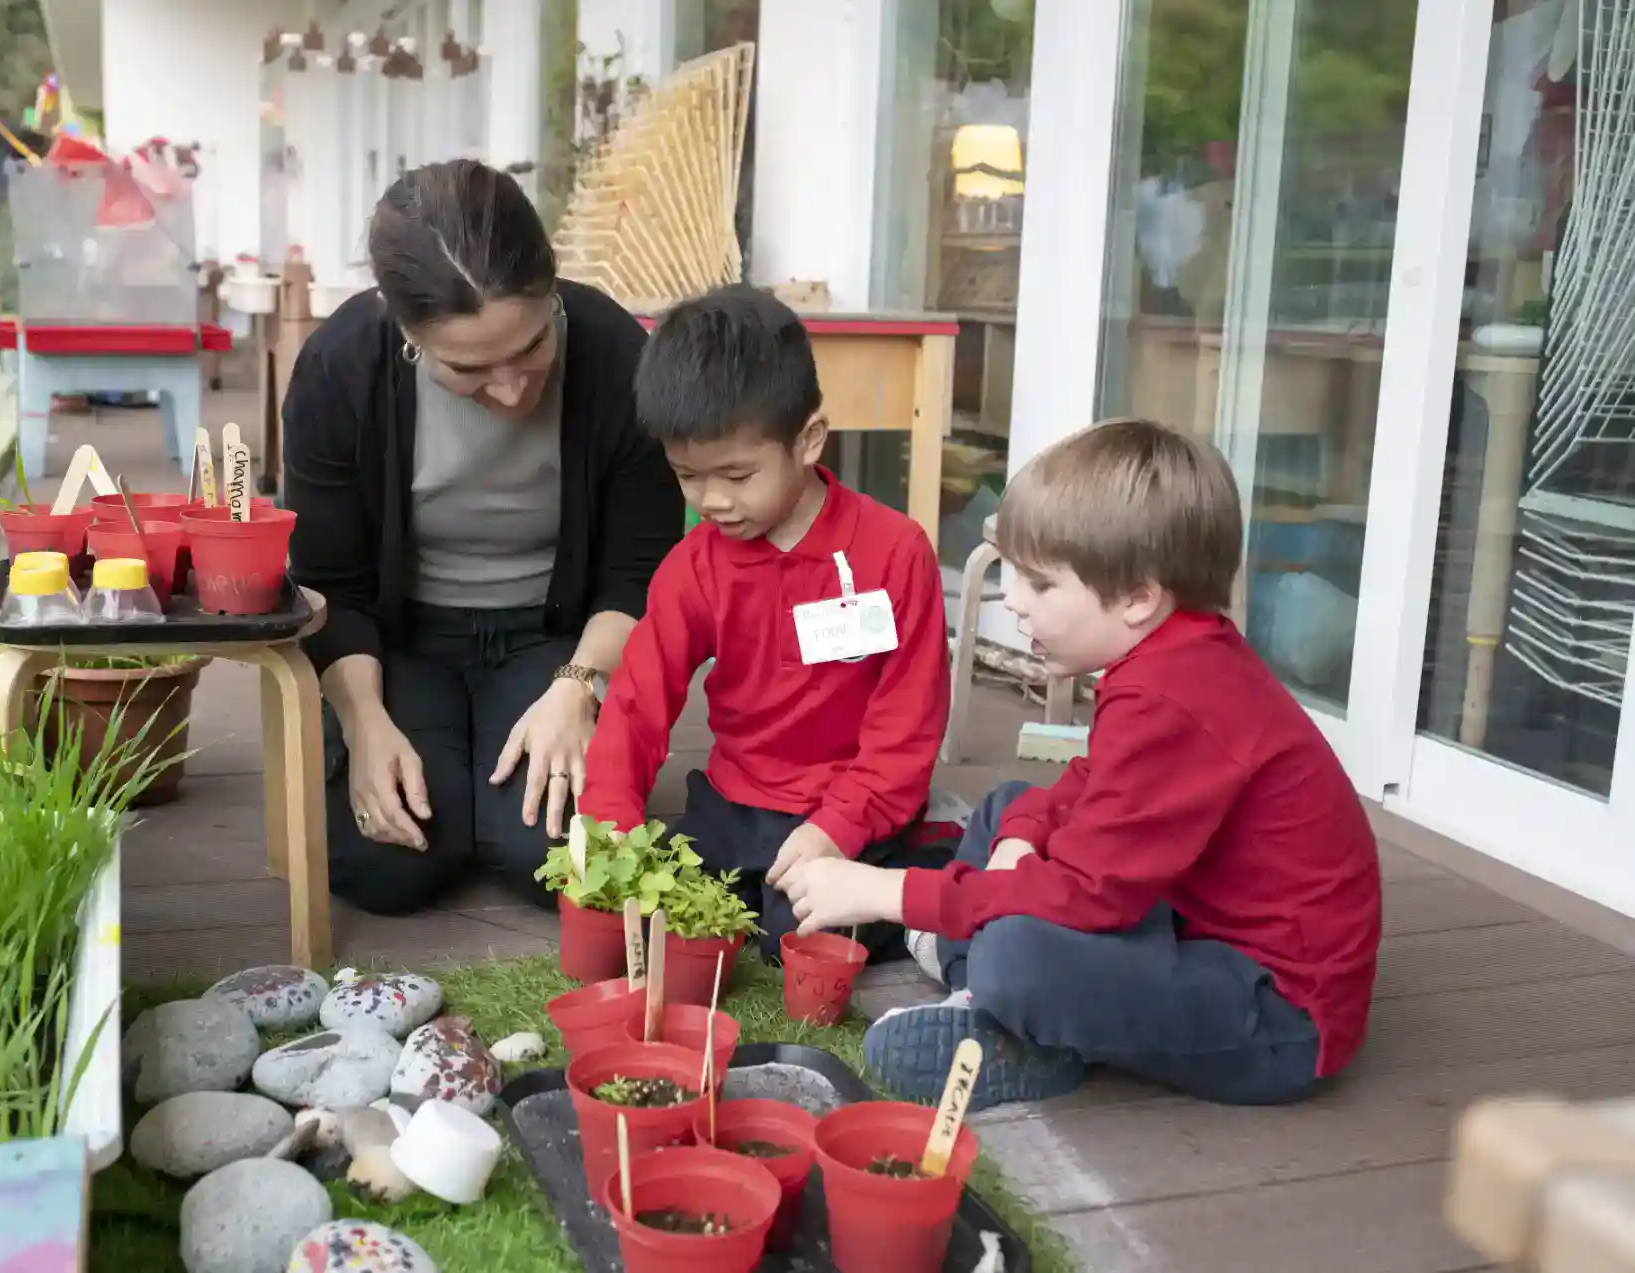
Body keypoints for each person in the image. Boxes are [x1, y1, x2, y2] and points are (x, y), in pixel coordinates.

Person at [777, 417, 1383, 1111]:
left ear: (1137, 598)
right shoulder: (1174, 657)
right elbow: (1091, 784)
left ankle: (1001, 1000)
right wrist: (1021, 838)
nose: (1013, 599)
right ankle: (988, 987)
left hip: (1276, 1018)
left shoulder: (1174, 697)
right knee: (1011, 806)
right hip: (1187, 918)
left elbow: (1089, 895)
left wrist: (886, 892)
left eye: (1039, 583)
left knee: (1019, 956)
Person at [283, 159, 685, 916]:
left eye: (531, 348)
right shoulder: (341, 366)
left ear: (552, 289)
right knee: (386, 864)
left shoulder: (615, 355)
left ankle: (508, 770)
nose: (510, 388)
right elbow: (330, 583)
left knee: (554, 857)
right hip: (398, 642)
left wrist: (579, 686)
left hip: (556, 638)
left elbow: (640, 570)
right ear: (406, 331)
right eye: (468, 367)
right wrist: (363, 725)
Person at [577, 284, 955, 961]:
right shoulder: (694, 566)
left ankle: (932, 857)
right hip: (735, 801)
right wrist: (611, 826)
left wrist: (836, 827)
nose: (712, 500)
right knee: (677, 917)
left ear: (808, 439)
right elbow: (636, 704)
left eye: (736, 475)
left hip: (851, 799)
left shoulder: (894, 551)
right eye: (687, 476)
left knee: (794, 935)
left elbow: (906, 728)